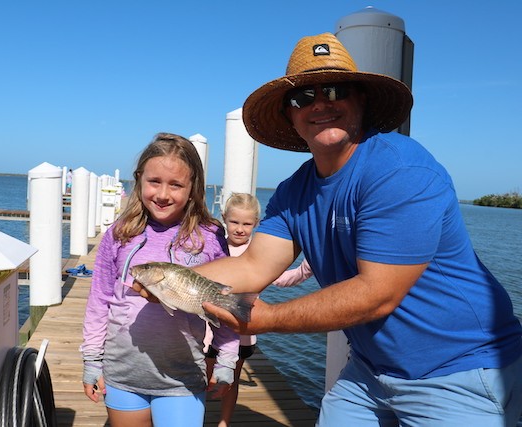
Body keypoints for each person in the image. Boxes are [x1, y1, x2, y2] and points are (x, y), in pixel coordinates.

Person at [135, 33, 522, 426]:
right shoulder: (293, 192)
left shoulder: (399, 170)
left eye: (336, 90)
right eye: (303, 97)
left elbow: (377, 294)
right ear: (290, 115)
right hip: (369, 371)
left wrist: (269, 318)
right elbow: (252, 265)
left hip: (459, 369)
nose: (320, 104)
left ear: (361, 100)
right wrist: (168, 279)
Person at [81, 133, 239, 427]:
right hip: (122, 373)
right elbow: (99, 300)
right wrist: (92, 359)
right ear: (139, 179)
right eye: (154, 181)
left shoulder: (210, 237)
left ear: (193, 189)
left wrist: (226, 360)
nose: (163, 194)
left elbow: (224, 304)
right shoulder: (119, 233)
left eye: (176, 184)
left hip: (183, 377)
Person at [204, 193, 312, 427]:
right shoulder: (214, 247)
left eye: (247, 224)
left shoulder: (258, 256)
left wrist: (308, 267)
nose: (240, 229)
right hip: (209, 331)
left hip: (243, 330)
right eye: (234, 222)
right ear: (224, 218)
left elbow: (282, 278)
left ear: (257, 223)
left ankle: (224, 423)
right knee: (204, 376)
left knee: (230, 380)